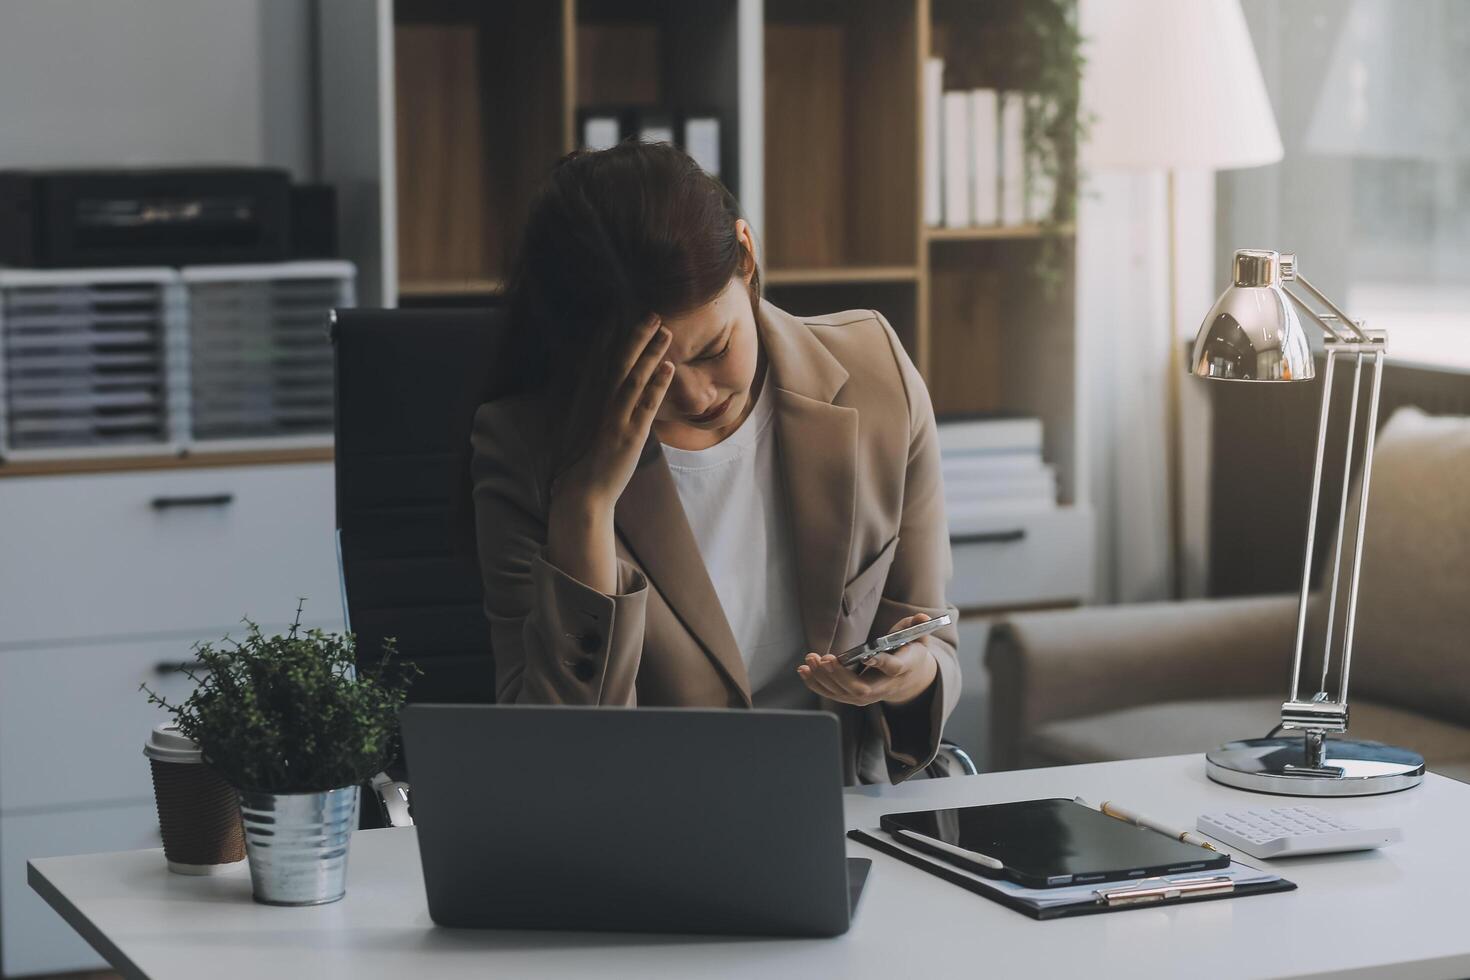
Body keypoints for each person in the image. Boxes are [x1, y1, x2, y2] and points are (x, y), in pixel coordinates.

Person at [471, 141, 959, 784]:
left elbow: (933, 646)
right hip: (652, 842)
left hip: (849, 816)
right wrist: (585, 510)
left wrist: (910, 675)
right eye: (651, 375)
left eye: (712, 350)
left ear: (747, 256)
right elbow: (552, 759)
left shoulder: (876, 377)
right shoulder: (527, 451)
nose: (697, 396)